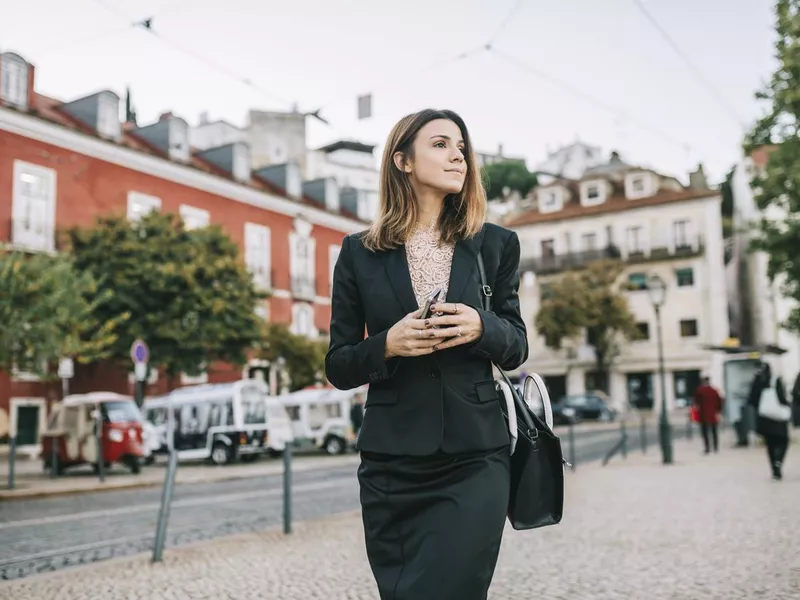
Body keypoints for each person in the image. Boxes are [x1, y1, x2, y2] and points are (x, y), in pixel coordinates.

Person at [325, 108, 528, 600]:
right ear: (403, 160)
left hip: (476, 458)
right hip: (392, 467)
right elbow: (339, 364)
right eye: (440, 144)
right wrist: (387, 345)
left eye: (461, 146)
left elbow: (517, 345)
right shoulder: (359, 252)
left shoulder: (496, 245)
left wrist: (483, 327)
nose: (457, 153)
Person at [748, 362, 791, 480]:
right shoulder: (775, 380)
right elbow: (782, 398)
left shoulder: (757, 382)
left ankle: (774, 467)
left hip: (764, 419)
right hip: (778, 419)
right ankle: (778, 462)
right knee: (783, 441)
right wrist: (787, 405)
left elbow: (752, 399)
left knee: (770, 444)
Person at [693, 376, 723, 454]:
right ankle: (716, 447)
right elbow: (719, 401)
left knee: (705, 432)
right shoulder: (714, 390)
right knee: (714, 431)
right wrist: (719, 411)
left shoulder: (699, 391)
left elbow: (696, 402)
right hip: (713, 414)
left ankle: (707, 448)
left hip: (703, 414)